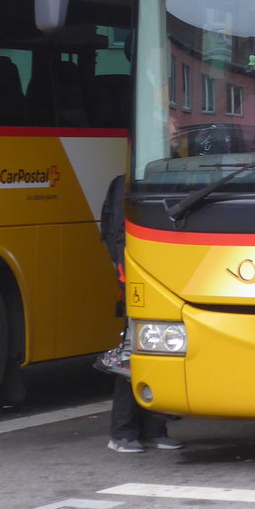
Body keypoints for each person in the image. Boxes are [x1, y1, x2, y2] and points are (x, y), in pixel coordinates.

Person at [98, 174, 182, 454]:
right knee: (132, 355)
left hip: (161, 277)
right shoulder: (131, 183)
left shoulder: (163, 179)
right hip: (140, 280)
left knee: (158, 353)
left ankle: (153, 429)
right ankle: (122, 431)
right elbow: (120, 236)